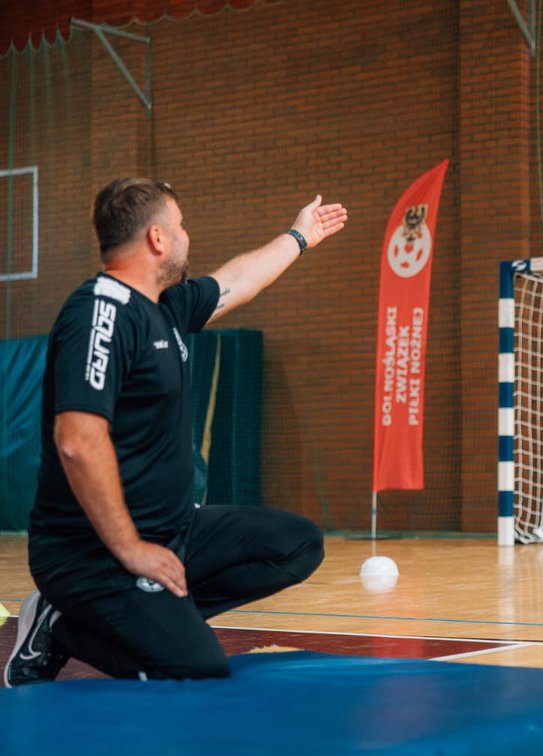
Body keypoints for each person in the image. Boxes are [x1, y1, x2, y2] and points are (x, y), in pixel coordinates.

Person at [5, 178, 348, 686]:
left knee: (297, 544)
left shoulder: (165, 304)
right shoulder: (98, 312)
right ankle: (60, 625)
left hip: (173, 531)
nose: (189, 235)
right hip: (91, 553)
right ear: (158, 239)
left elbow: (237, 279)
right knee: (195, 668)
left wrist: (298, 237)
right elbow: (77, 442)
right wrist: (130, 549)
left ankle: (153, 618)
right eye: (181, 224)